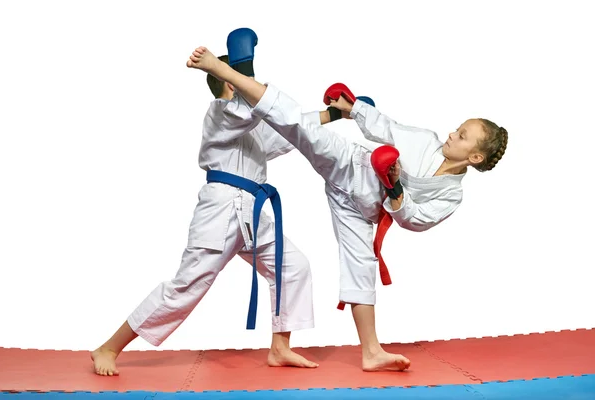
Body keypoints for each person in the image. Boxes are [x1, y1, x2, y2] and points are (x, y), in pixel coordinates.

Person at [186, 45, 508, 372]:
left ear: (475, 157)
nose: (452, 133)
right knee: (298, 127)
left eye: (463, 135)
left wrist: (395, 187)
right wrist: (354, 109)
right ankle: (237, 74)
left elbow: (415, 220)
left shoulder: (452, 195)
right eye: (458, 128)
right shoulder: (427, 141)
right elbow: (388, 129)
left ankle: (371, 352)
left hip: (361, 208)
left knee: (362, 265)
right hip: (350, 164)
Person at [90, 30, 322, 376]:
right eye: (241, 79)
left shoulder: (253, 127)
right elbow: (251, 105)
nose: (247, 84)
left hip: (253, 215)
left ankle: (280, 347)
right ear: (229, 85)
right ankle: (107, 348)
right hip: (221, 212)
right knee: (185, 288)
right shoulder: (219, 114)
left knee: (294, 266)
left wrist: (336, 115)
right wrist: (240, 63)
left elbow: (292, 128)